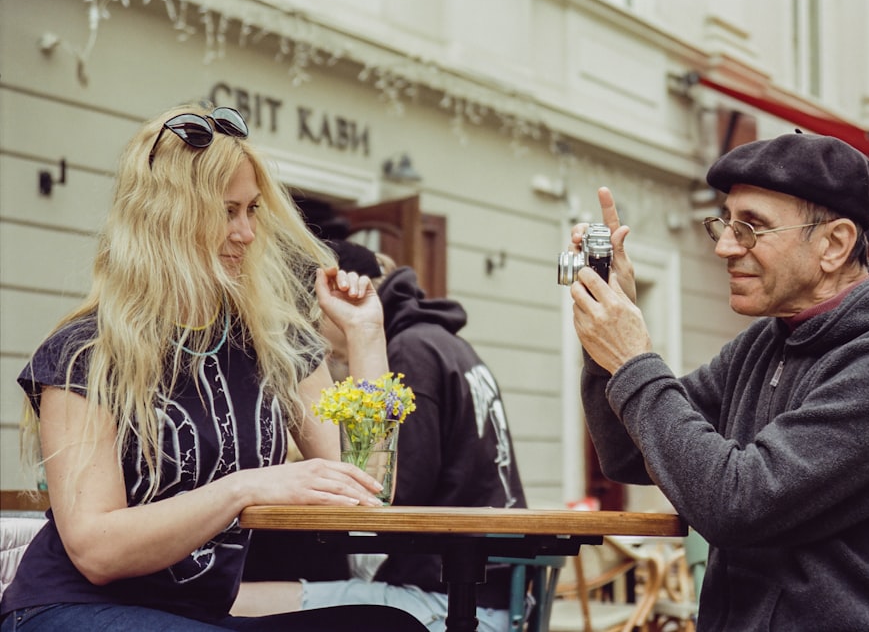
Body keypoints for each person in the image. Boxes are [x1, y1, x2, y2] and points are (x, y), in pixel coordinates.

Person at [0, 105, 427, 632]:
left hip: (195, 618)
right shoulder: (84, 352)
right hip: (68, 611)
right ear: (165, 218)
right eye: (227, 211)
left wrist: (366, 336)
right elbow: (96, 551)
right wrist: (243, 488)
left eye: (251, 210)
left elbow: (368, 489)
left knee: (389, 626)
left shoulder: (275, 342)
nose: (246, 232)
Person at [567, 133, 869, 630]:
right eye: (724, 223)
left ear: (834, 244)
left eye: (750, 227)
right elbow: (628, 453)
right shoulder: (767, 342)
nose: (724, 246)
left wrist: (634, 359)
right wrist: (611, 335)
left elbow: (738, 504)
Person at [234, 240, 527, 632]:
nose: (322, 352)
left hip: (452, 598)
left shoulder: (409, 352)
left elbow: (386, 489)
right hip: (498, 590)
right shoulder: (443, 342)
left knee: (235, 601)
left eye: (311, 327)